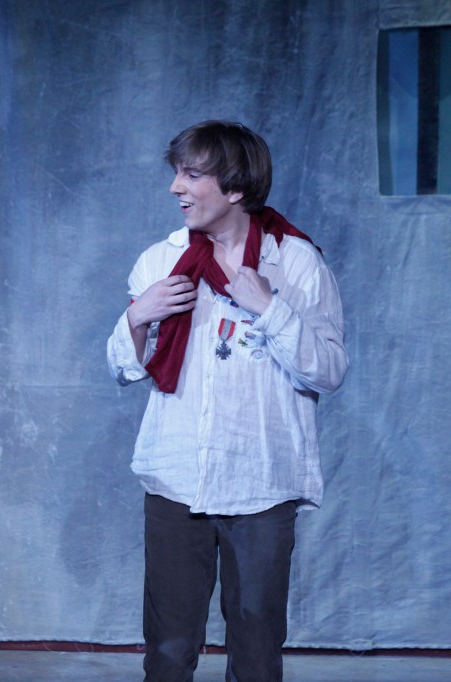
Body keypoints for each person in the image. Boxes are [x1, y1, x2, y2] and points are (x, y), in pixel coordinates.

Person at [106, 120, 348, 681]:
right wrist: (137, 316)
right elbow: (125, 368)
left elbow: (330, 370)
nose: (176, 187)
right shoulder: (160, 261)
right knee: (168, 647)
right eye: (177, 173)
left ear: (235, 187)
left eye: (192, 175)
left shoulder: (295, 263)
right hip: (176, 476)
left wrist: (272, 309)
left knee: (257, 646)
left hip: (261, 480)